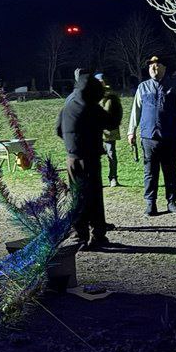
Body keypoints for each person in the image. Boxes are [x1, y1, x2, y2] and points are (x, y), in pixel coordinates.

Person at [56, 69, 116, 249]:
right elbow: (112, 123)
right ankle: (97, 234)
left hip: (72, 158)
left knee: (77, 195)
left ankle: (79, 233)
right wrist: (115, 103)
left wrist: (72, 144)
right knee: (95, 196)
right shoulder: (93, 107)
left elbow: (58, 129)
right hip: (90, 158)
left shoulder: (68, 105)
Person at [127, 55, 176, 216]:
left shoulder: (175, 87)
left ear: (164, 68)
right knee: (150, 172)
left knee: (170, 171)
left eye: (156, 65)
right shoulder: (142, 87)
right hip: (149, 137)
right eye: (150, 66)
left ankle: (172, 202)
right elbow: (136, 111)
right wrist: (131, 131)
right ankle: (151, 204)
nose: (153, 68)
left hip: (169, 137)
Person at [96, 72, 123, 188]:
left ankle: (113, 178)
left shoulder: (111, 97)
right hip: (96, 132)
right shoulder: (93, 95)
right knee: (96, 158)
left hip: (108, 132)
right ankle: (98, 180)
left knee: (111, 155)